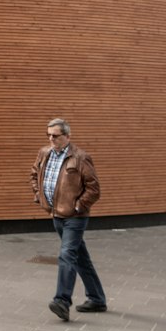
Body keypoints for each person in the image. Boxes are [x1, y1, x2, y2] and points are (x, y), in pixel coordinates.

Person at [30, 117, 106, 320]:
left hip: (75, 217)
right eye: (48, 135)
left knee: (66, 255)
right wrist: (39, 195)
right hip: (55, 213)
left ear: (67, 136)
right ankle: (97, 298)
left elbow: (94, 189)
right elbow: (34, 174)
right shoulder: (44, 153)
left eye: (55, 136)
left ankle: (62, 301)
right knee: (80, 257)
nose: (51, 139)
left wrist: (78, 206)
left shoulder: (80, 157)